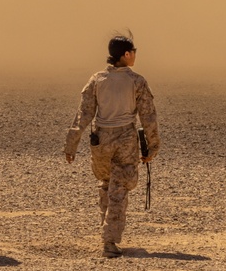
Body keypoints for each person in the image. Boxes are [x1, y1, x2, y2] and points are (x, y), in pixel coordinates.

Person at [64, 34, 161, 259]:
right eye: (133, 51)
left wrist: (71, 145)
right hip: (124, 140)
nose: (135, 55)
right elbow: (148, 116)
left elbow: (83, 115)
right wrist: (153, 146)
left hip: (100, 142)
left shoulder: (97, 80)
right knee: (119, 191)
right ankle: (109, 241)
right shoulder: (137, 81)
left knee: (107, 185)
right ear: (126, 55)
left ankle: (107, 231)